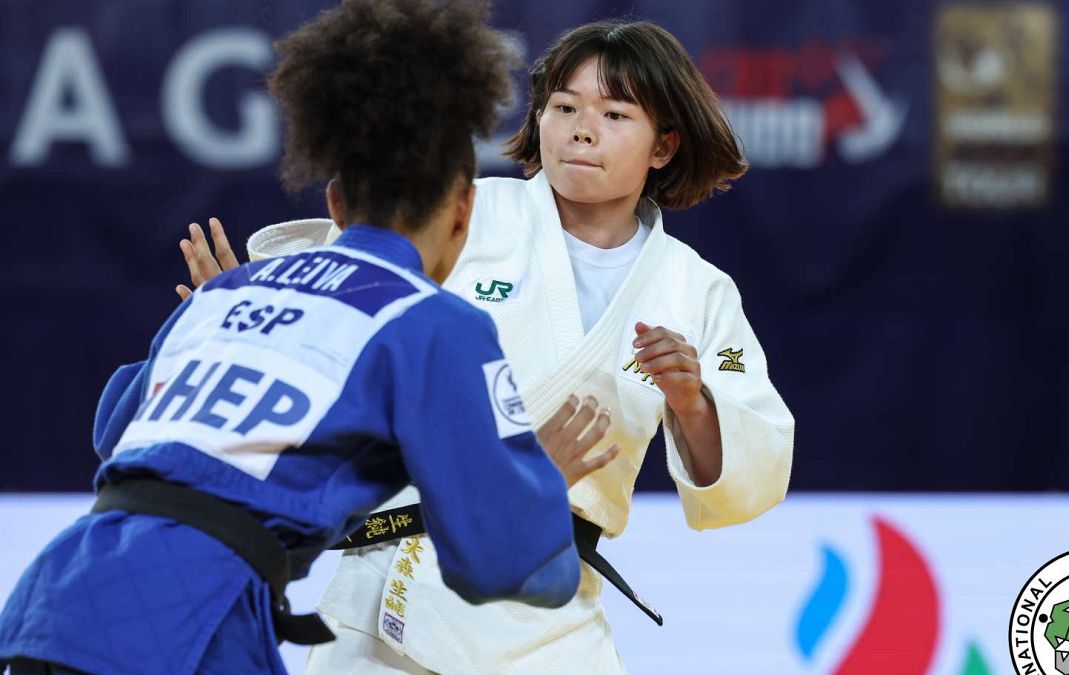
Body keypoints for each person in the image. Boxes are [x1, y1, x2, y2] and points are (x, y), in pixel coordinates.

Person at [0, 2, 617, 674]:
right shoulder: (435, 322)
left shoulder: (231, 290)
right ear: (464, 208)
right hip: (188, 623)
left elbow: (115, 425)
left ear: (333, 203)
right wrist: (536, 493)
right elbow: (504, 564)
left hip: (53, 599)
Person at [179, 18, 795, 675]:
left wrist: (692, 401)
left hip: (549, 614)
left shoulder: (694, 292)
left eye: (615, 113)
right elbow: (345, 313)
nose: (581, 129)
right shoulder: (465, 211)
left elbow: (749, 482)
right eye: (563, 107)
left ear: (664, 146)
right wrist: (253, 323)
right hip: (391, 589)